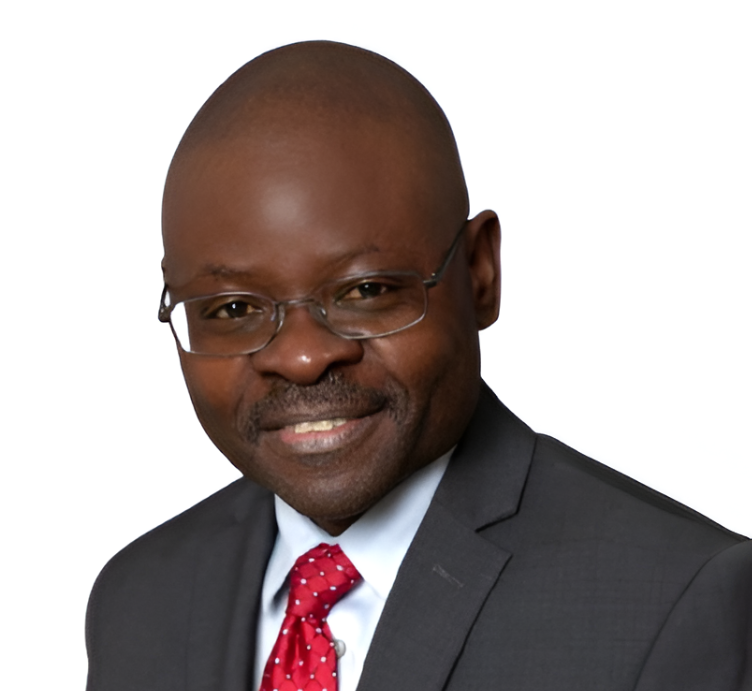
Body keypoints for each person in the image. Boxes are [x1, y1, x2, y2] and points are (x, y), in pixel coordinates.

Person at [85, 40, 752, 691]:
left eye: (366, 290)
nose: (302, 356)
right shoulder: (139, 600)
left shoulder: (675, 602)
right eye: (232, 308)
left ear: (479, 272)